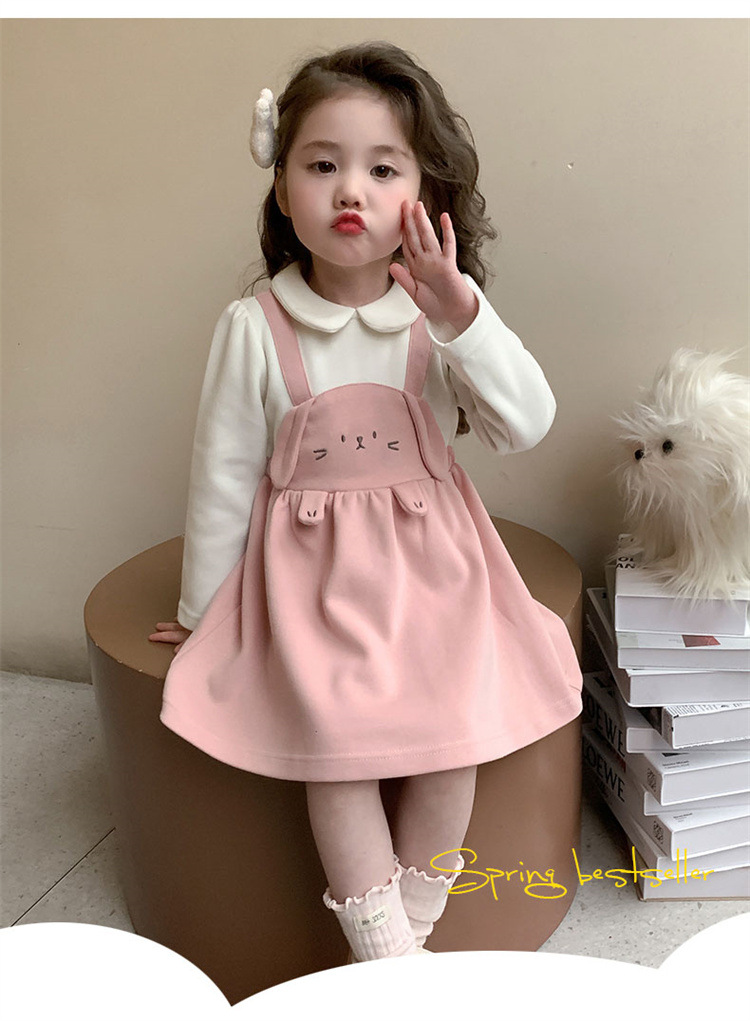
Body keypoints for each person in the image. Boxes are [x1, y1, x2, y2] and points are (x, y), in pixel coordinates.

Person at [149, 41, 582, 963]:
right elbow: (223, 471)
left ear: (423, 194)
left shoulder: (439, 317)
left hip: (436, 569)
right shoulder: (254, 326)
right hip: (315, 576)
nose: (351, 189)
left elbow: (527, 423)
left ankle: (404, 941)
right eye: (322, 165)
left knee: (454, 735)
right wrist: (204, 614)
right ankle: (387, 957)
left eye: (383, 169)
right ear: (281, 188)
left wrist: (463, 315)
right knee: (335, 747)